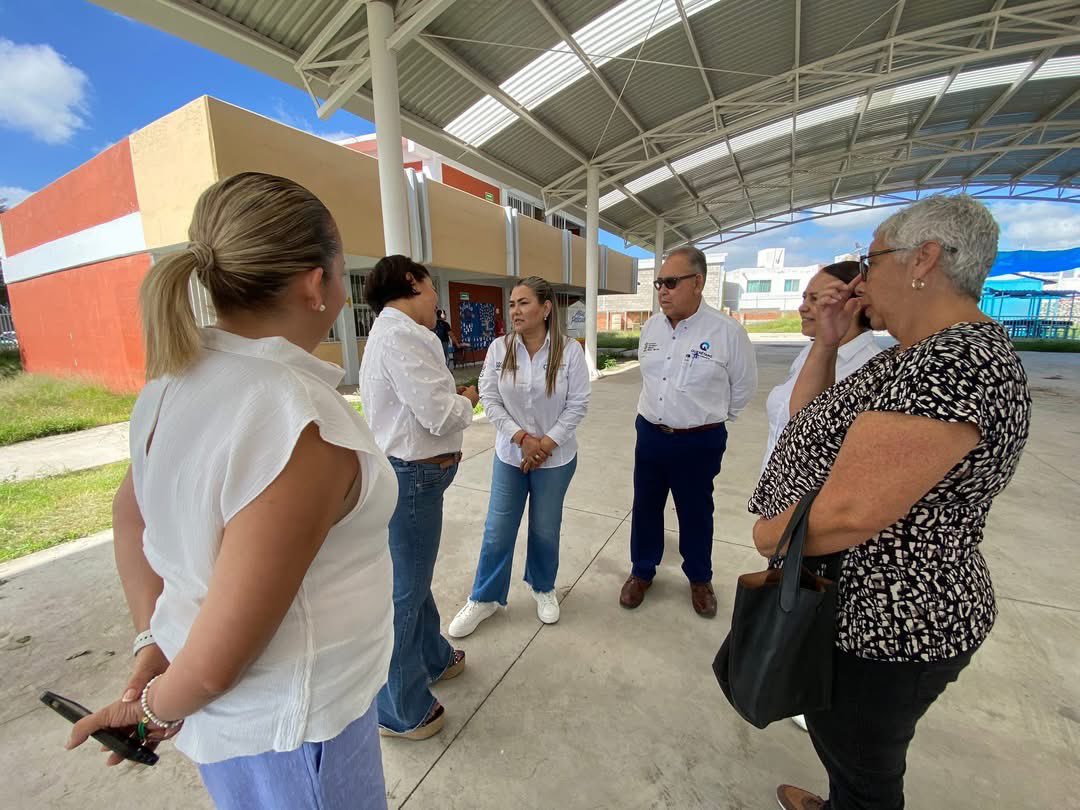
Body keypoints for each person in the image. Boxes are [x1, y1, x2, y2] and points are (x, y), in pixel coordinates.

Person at [65, 172, 395, 809]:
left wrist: (153, 641)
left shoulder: (171, 385)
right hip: (294, 727)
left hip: (233, 717)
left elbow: (129, 517)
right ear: (314, 282)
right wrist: (150, 712)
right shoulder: (297, 421)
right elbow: (219, 661)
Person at [749, 195, 1031, 810]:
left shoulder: (957, 362)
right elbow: (808, 426)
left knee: (864, 765)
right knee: (843, 744)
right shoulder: (915, 354)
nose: (861, 280)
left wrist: (773, 538)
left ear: (922, 260)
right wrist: (826, 343)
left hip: (893, 622)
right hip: (859, 610)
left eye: (869, 260)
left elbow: (852, 513)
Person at [760, 260, 885, 733]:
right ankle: (795, 678)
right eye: (806, 297)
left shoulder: (870, 367)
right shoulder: (814, 353)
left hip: (817, 512)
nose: (804, 306)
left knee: (813, 600)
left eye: (817, 298)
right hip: (786, 503)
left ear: (853, 302)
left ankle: (810, 692)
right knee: (793, 597)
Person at [359, 256, 479, 741]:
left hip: (415, 475)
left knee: (414, 576)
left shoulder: (392, 334)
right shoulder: (404, 335)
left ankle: (431, 657)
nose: (436, 302)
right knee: (405, 590)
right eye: (433, 290)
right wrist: (466, 401)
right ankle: (397, 707)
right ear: (412, 283)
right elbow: (437, 414)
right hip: (412, 477)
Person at [448, 276, 590, 637]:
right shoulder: (500, 349)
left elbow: (578, 405)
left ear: (545, 309)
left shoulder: (569, 351)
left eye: (524, 303)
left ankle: (543, 588)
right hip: (510, 456)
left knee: (545, 530)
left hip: (555, 460)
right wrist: (522, 438)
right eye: (512, 304)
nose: (515, 311)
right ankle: (485, 598)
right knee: (497, 531)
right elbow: (489, 397)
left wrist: (545, 444)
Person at [620, 246, 757, 618]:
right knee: (646, 505)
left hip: (699, 440)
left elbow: (743, 387)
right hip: (649, 433)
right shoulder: (651, 326)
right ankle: (642, 571)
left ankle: (699, 578)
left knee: (696, 511)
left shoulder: (726, 332)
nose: (662, 290)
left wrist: (707, 418)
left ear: (698, 282)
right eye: (658, 283)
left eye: (670, 282)